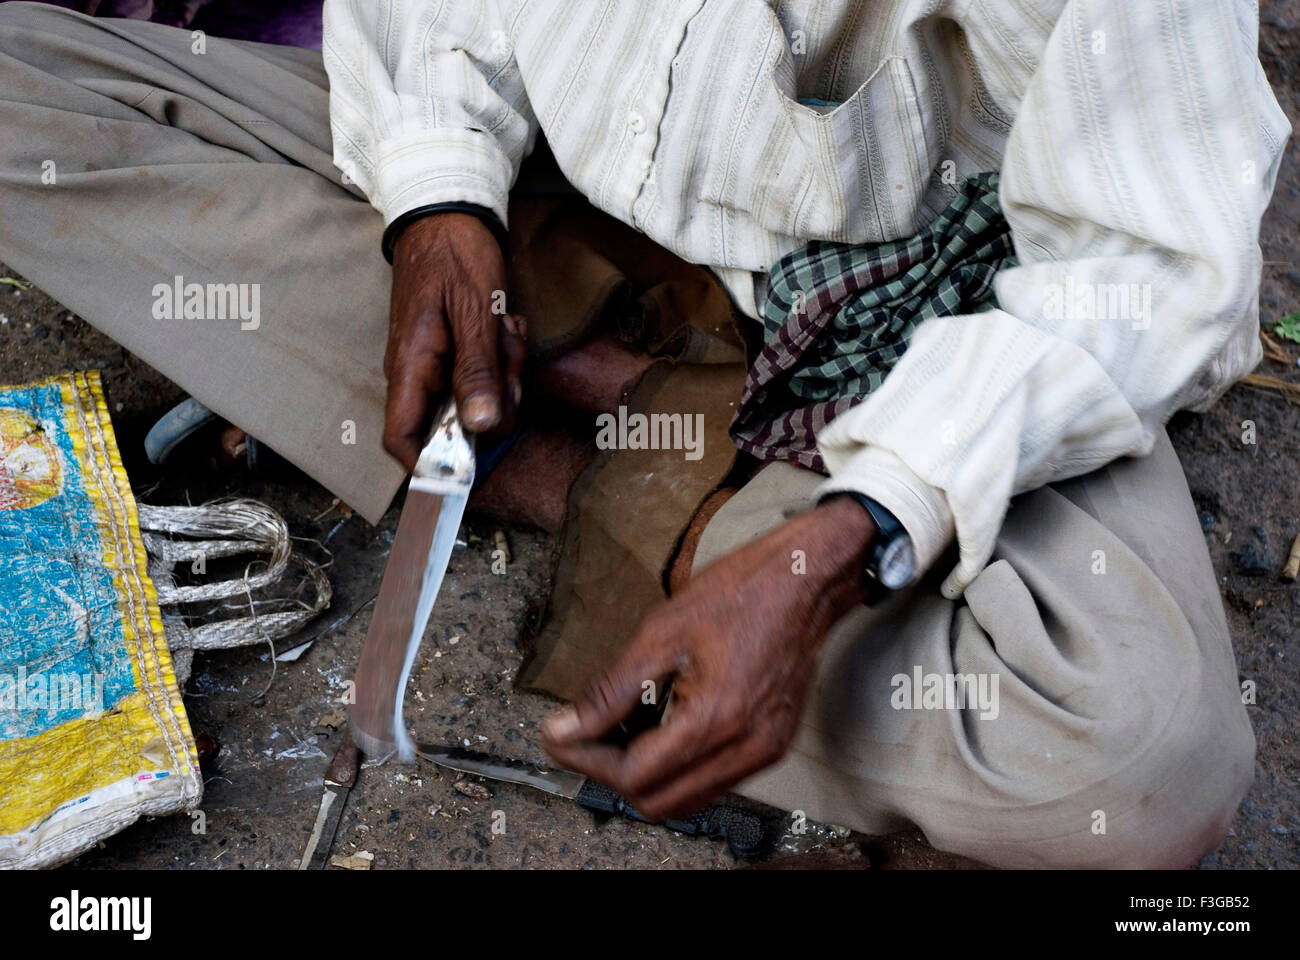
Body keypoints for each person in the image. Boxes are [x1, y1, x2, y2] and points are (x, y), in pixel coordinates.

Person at [0, 0, 1289, 867]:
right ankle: (600, 411)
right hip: (552, 199)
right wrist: (441, 199)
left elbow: (1150, 260)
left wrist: (855, 532)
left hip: (910, 318)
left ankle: (641, 474)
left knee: (1139, 759)